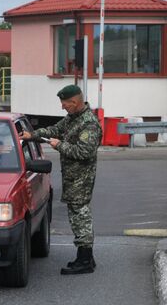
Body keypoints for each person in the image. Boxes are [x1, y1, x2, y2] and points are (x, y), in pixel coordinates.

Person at [19, 84, 102, 275]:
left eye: (65, 104)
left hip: (81, 179)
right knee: (77, 216)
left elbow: (85, 152)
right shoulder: (73, 119)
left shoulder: (88, 123)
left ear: (74, 102)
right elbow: (55, 130)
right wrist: (33, 135)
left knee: (81, 217)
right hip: (73, 178)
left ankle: (85, 260)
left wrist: (60, 146)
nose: (63, 107)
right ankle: (85, 257)